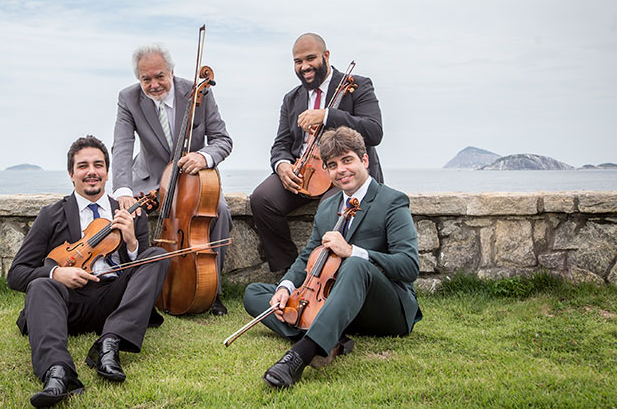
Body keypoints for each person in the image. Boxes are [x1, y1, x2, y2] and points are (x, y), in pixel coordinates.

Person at [243, 126, 421, 388]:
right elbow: (308, 255)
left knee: (356, 265)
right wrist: (286, 287)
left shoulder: (392, 202)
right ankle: (332, 337)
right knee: (256, 294)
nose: (342, 170)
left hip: (385, 309)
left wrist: (352, 252)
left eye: (347, 160)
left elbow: (408, 266)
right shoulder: (328, 205)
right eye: (333, 165)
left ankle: (300, 355)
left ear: (364, 160)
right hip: (334, 301)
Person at [8, 136, 169, 407]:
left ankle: (109, 344)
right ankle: (58, 372)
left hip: (114, 302)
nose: (91, 171)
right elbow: (17, 274)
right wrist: (56, 274)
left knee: (157, 256)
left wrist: (131, 243)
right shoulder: (51, 215)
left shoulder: (129, 213)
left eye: (98, 165)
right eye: (83, 166)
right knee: (40, 285)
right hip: (69, 304)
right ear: (72, 174)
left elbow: (142, 274)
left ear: (107, 173)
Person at [112, 43, 233, 315]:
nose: (154, 84)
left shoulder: (198, 92)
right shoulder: (128, 98)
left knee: (220, 212)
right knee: (126, 215)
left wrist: (204, 157)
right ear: (138, 79)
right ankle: (137, 287)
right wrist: (122, 189)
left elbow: (222, 140)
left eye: (159, 76)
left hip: (193, 181)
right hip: (150, 178)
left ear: (172, 72)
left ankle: (212, 290)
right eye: (146, 79)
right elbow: (121, 145)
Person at [250, 32, 384, 273]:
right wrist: (282, 165)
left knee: (330, 208)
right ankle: (289, 272)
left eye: (310, 58)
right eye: (298, 61)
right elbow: (281, 144)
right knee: (262, 199)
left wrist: (327, 116)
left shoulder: (357, 86)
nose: (304, 66)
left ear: (326, 56)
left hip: (343, 174)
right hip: (303, 172)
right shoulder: (292, 99)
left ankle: (326, 275)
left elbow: (374, 132)